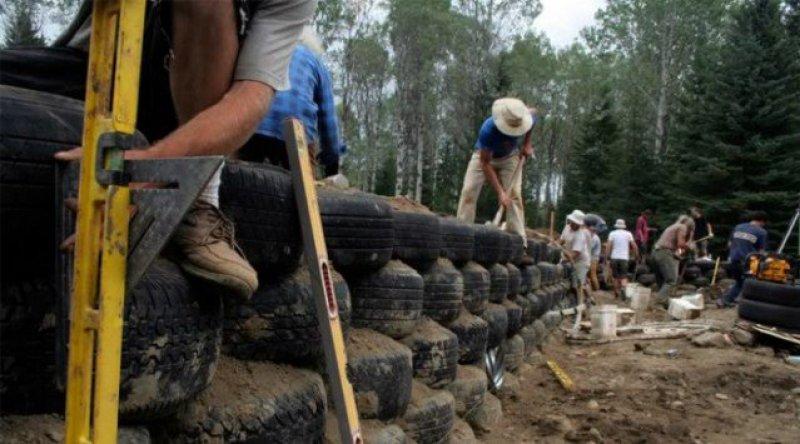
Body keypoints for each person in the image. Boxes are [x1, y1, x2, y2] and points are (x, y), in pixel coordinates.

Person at [46, 1, 318, 301]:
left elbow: (251, 96)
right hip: (92, 65)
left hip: (193, 100)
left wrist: (152, 170)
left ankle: (197, 200)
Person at [238, 26, 343, 176]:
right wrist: (331, 164)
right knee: (305, 182)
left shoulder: (263, 50)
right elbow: (328, 122)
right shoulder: (316, 63)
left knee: (238, 172)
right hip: (295, 136)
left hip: (253, 126)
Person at [456, 98, 537, 243]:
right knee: (468, 191)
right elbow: (485, 163)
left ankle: (519, 240)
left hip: (510, 157)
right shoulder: (488, 129)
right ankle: (462, 234)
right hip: (484, 156)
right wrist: (500, 192)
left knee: (515, 195)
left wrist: (527, 144)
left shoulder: (525, 117)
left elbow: (533, 116)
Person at [717, 211, 768, 308]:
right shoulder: (762, 232)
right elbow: (761, 251)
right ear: (762, 222)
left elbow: (729, 244)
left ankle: (725, 300)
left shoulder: (738, 227)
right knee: (752, 282)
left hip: (733, 259)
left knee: (740, 282)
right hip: (749, 262)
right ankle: (750, 305)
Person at [652, 215, 695, 305]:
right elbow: (680, 244)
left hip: (656, 252)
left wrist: (679, 253)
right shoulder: (683, 227)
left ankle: (664, 303)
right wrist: (689, 245)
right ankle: (658, 303)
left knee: (663, 281)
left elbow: (676, 248)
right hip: (664, 253)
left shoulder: (673, 226)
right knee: (671, 280)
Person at [559, 210, 591, 295]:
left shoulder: (580, 236)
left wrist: (565, 258)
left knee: (578, 283)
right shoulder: (567, 227)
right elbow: (561, 240)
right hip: (569, 257)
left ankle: (582, 301)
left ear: (579, 224)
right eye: (572, 222)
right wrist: (554, 246)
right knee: (572, 282)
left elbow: (575, 254)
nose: (573, 224)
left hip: (581, 261)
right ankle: (587, 297)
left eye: (576, 223)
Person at [606, 219, 639, 298]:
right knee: (624, 276)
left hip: (614, 257)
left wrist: (607, 256)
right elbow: (634, 245)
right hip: (624, 258)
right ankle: (623, 288)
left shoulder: (612, 233)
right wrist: (636, 255)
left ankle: (616, 292)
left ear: (616, 226)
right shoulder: (628, 234)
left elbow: (609, 245)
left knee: (615, 276)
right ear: (624, 226)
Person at [586, 221, 602, 292]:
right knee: (590, 274)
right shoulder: (594, 237)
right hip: (592, 257)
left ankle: (597, 289)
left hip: (593, 258)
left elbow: (589, 248)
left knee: (592, 274)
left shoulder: (595, 238)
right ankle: (593, 288)